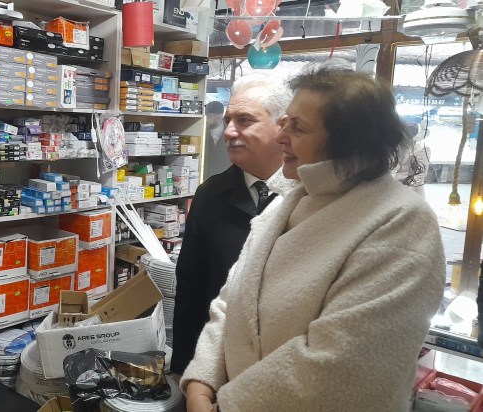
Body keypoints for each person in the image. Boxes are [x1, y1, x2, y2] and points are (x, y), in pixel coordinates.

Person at [181, 68, 445, 411]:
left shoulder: (401, 222)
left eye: (297, 127)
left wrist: (226, 405)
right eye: (284, 122)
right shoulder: (287, 203)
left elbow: (341, 365)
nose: (280, 136)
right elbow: (231, 301)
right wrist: (201, 380)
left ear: (349, 140)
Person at [172, 76, 292, 376]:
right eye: (227, 120)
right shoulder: (209, 195)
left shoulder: (308, 195)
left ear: (282, 126)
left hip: (283, 366)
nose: (228, 131)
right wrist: (184, 371)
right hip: (218, 363)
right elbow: (191, 289)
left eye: (244, 120)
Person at [392, 120, 431, 198]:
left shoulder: (422, 149)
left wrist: (410, 191)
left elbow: (421, 173)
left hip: (413, 188)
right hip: (397, 186)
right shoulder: (399, 147)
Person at [202, 100, 231, 179]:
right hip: (206, 177)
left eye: (209, 116)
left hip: (227, 178)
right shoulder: (202, 131)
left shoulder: (231, 133)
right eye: (205, 115)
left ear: (219, 117)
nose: (206, 119)